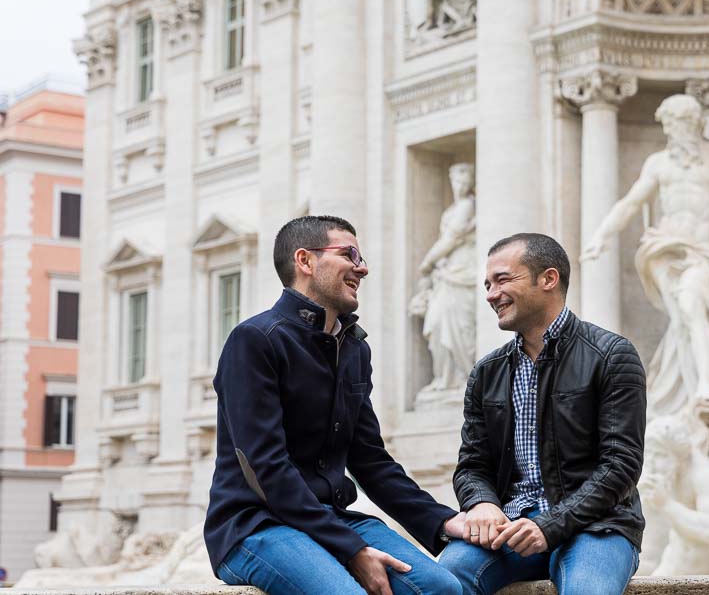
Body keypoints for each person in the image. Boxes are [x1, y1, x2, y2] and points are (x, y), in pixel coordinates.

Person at [204, 215, 464, 595]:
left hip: (332, 519)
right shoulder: (254, 341)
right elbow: (266, 468)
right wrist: (352, 549)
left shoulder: (354, 348)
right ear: (305, 261)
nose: (363, 267)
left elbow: (371, 461)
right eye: (349, 254)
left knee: (442, 588)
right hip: (255, 525)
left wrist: (442, 522)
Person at [440, 233, 646, 594]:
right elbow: (472, 465)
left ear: (548, 279)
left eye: (502, 279)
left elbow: (621, 465)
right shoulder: (486, 372)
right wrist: (482, 503)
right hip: (513, 527)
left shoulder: (612, 355)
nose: (490, 294)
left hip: (598, 526)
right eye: (487, 284)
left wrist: (550, 525)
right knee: (442, 579)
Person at [581, 94, 709, 415]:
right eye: (669, 126)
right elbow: (631, 202)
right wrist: (602, 235)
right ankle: (694, 388)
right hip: (663, 249)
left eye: (678, 124)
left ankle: (700, 385)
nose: (673, 132)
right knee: (684, 316)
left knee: (690, 303)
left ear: (695, 123)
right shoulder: (658, 163)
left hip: (702, 251)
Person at [408, 162, 476, 394]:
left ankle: (464, 376)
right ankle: (444, 377)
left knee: (459, 323)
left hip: (464, 270)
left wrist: (426, 263)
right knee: (437, 321)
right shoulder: (450, 211)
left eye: (465, 180)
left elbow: (452, 238)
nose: (460, 185)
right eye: (456, 180)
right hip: (447, 273)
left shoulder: (468, 206)